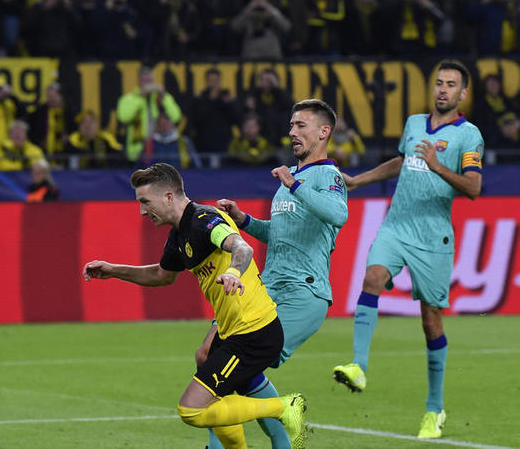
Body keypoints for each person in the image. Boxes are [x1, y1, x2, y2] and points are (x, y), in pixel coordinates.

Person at [82, 163, 307, 449]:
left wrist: (234, 273)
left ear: (168, 197)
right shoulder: (179, 234)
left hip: (254, 333)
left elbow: (242, 247)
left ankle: (283, 407)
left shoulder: (204, 219)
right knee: (211, 385)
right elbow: (160, 276)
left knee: (193, 409)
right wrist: (114, 270)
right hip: (233, 333)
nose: (141, 211)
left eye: (144, 202)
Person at [332, 60, 484, 439]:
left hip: (434, 237)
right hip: (397, 225)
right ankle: (359, 366)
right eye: (439, 83)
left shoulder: (469, 135)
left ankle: (434, 409)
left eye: (451, 85)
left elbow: (473, 187)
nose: (443, 89)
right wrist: (359, 180)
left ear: (463, 93)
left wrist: (436, 165)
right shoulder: (416, 123)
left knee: (430, 319)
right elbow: (402, 162)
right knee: (372, 276)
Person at [206, 99, 348, 449]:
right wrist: (244, 220)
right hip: (269, 286)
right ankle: (282, 434)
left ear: (323, 132)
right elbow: (279, 234)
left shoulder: (328, 175)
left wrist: (295, 186)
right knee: (211, 355)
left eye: (301, 125)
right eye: (291, 125)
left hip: (303, 292)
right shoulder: (293, 178)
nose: (292, 132)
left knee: (233, 362)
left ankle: (236, 442)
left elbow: (338, 214)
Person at [116, 65, 182, 164]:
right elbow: (123, 117)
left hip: (159, 150)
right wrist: (140, 97)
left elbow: (176, 117)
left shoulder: (161, 97)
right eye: (145, 81)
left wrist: (164, 96)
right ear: (139, 81)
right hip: (137, 151)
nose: (148, 84)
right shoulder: (129, 99)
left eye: (150, 81)